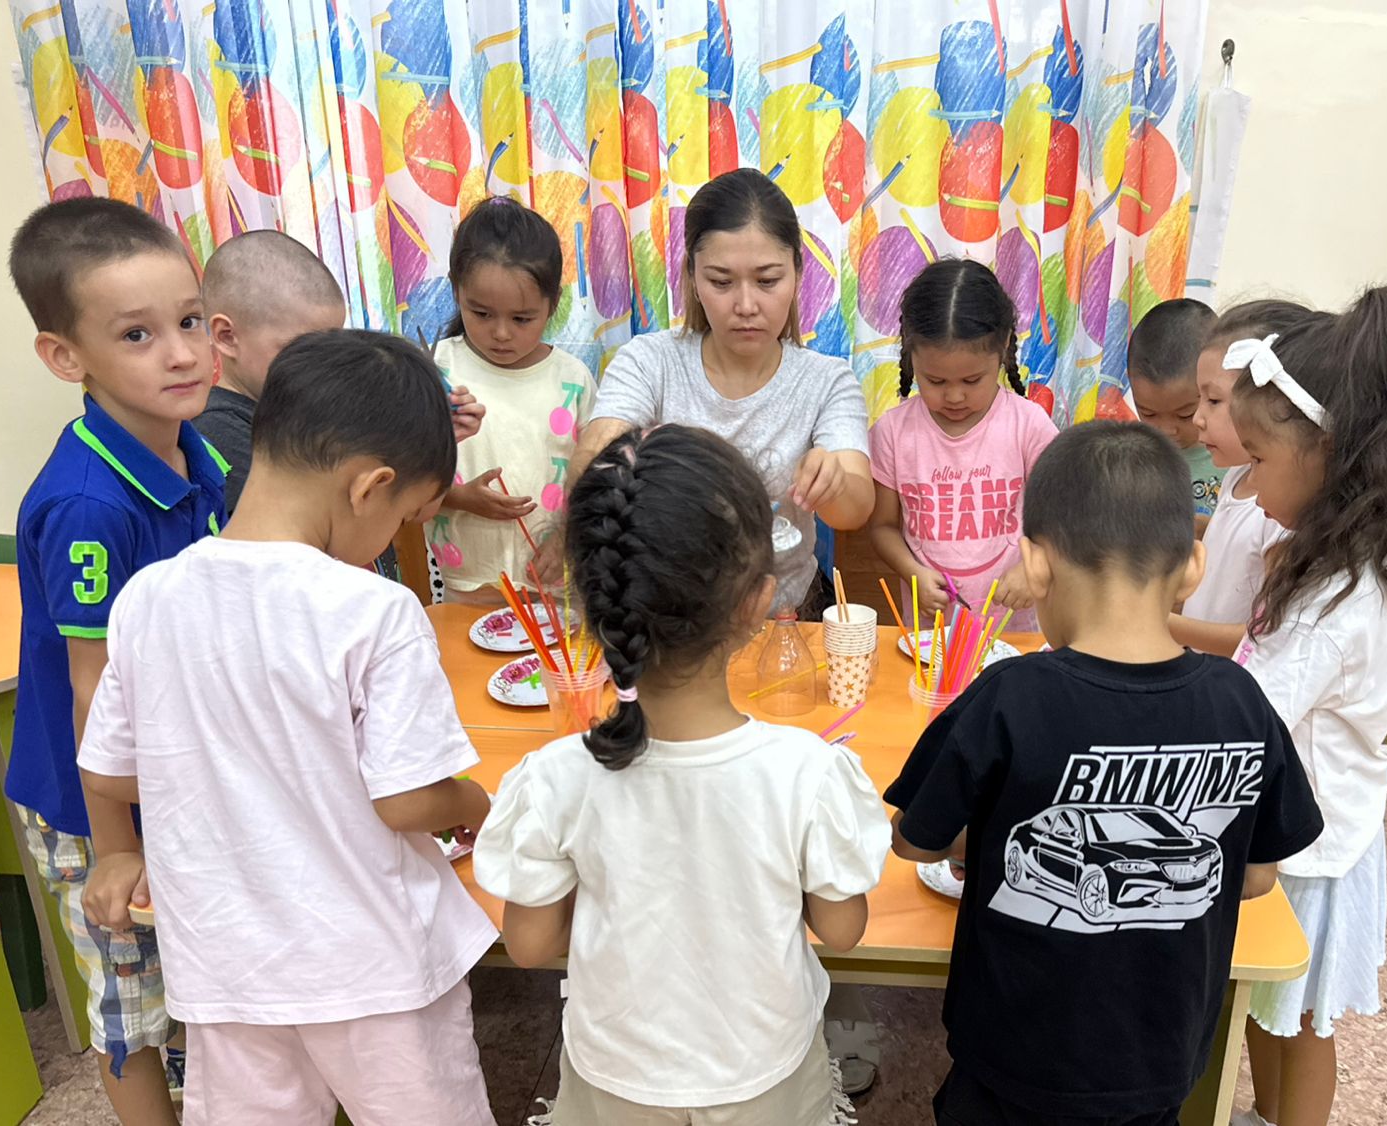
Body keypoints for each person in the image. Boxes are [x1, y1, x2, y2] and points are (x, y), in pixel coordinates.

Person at [76, 330, 499, 1126]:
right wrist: (478, 804)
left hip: (225, 965)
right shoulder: (373, 608)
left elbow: (109, 772)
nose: (390, 537)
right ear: (369, 488)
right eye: (404, 516)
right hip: (373, 968)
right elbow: (408, 801)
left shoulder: (147, 598)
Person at [886, 420, 1324, 1126]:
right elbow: (1256, 878)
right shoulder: (1241, 700)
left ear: (1034, 565)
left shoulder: (1010, 696)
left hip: (1013, 1054)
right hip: (1160, 1059)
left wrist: (991, 837)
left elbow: (914, 840)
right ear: (1193, 567)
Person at [474, 425, 890, 1126]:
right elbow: (842, 929)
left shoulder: (553, 778)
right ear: (757, 602)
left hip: (616, 1082)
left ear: (592, 602)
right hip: (765, 1080)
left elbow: (532, 944)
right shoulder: (807, 772)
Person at [3, 196, 226, 1124]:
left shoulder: (192, 450)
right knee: (132, 1008)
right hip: (91, 801)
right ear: (68, 358)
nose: (181, 353)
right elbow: (94, 687)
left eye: (190, 322)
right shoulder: (90, 506)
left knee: (199, 978)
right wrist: (118, 848)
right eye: (138, 335)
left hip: (167, 775)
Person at [1228, 287, 1387, 1126]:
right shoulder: (1333, 559)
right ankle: (1262, 1113)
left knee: (1298, 1021)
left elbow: (1253, 712)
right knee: (1266, 1007)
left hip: (1311, 847)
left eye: (1257, 459)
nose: (1246, 484)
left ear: (1326, 453)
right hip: (1302, 823)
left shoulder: (1337, 600)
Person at [561, 168, 874, 616]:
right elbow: (592, 469)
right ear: (692, 276)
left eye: (767, 281)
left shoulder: (827, 380)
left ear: (798, 272)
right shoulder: (650, 361)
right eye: (721, 282)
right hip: (673, 617)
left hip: (784, 616)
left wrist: (833, 483)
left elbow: (855, 509)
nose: (745, 306)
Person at [196, 230, 482, 581]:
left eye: (333, 344)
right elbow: (285, 567)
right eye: (302, 348)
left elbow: (416, 510)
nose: (325, 364)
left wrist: (432, 442)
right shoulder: (220, 433)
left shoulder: (324, 413)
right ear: (226, 337)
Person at [867, 258, 1058, 630]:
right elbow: (883, 527)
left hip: (1013, 635)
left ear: (1004, 347)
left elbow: (1065, 520)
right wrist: (912, 572)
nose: (954, 396)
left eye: (972, 380)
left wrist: (1037, 563)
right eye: (935, 381)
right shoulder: (892, 432)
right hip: (930, 638)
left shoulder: (1029, 425)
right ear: (910, 354)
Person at [431, 196, 595, 602]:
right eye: (481, 313)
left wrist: (566, 537)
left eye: (522, 318)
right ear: (456, 291)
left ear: (553, 304)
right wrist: (459, 498)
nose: (501, 333)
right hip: (468, 587)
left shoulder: (572, 378)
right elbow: (398, 478)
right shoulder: (437, 368)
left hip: (554, 587)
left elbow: (596, 480)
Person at [1168, 301, 1308, 657]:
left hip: (1232, 680)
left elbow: (1263, 639)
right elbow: (1233, 543)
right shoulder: (1237, 474)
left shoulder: (1282, 512)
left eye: (1214, 400)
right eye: (1199, 399)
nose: (1198, 418)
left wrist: (1161, 623)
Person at [1128, 298, 1223, 523]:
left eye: (1184, 415)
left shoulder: (1237, 457)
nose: (1166, 430)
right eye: (1148, 413)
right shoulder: (1130, 459)